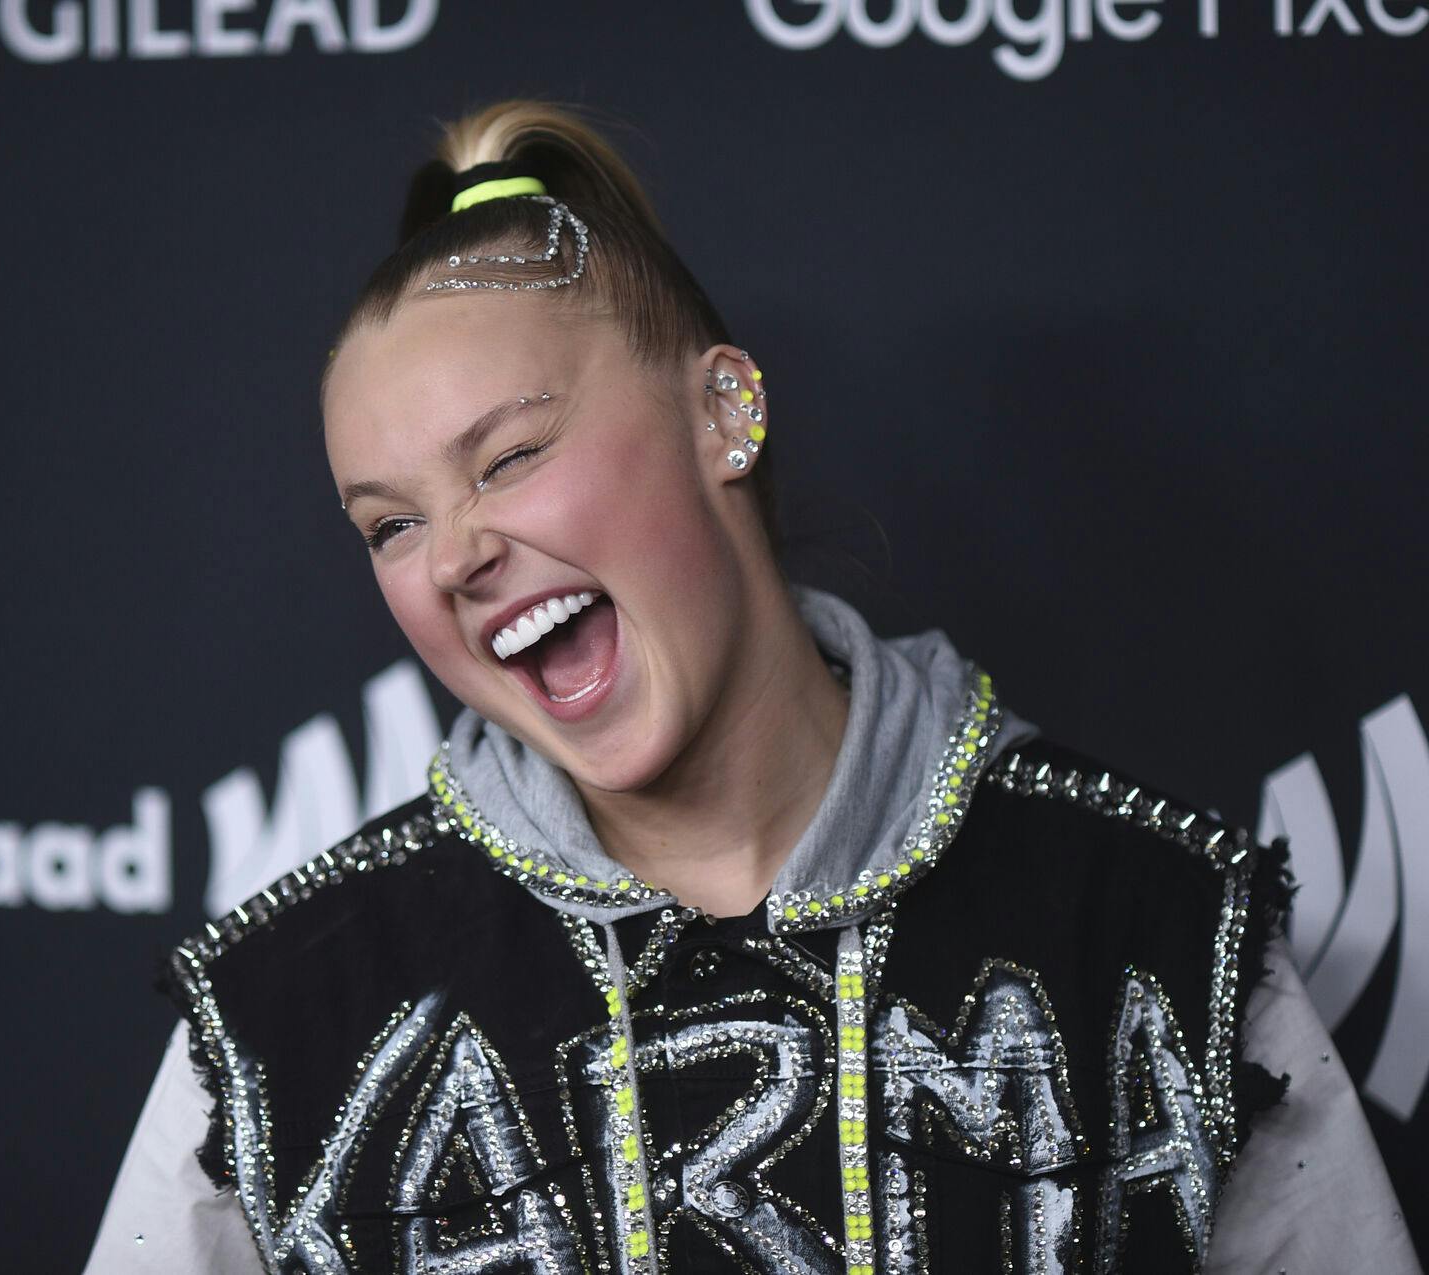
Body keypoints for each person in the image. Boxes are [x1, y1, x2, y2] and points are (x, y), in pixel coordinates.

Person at [86, 102, 1418, 1274]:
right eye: (389, 525)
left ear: (725, 411)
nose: (457, 558)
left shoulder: (1160, 929)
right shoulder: (284, 1013)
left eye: (511, 456)